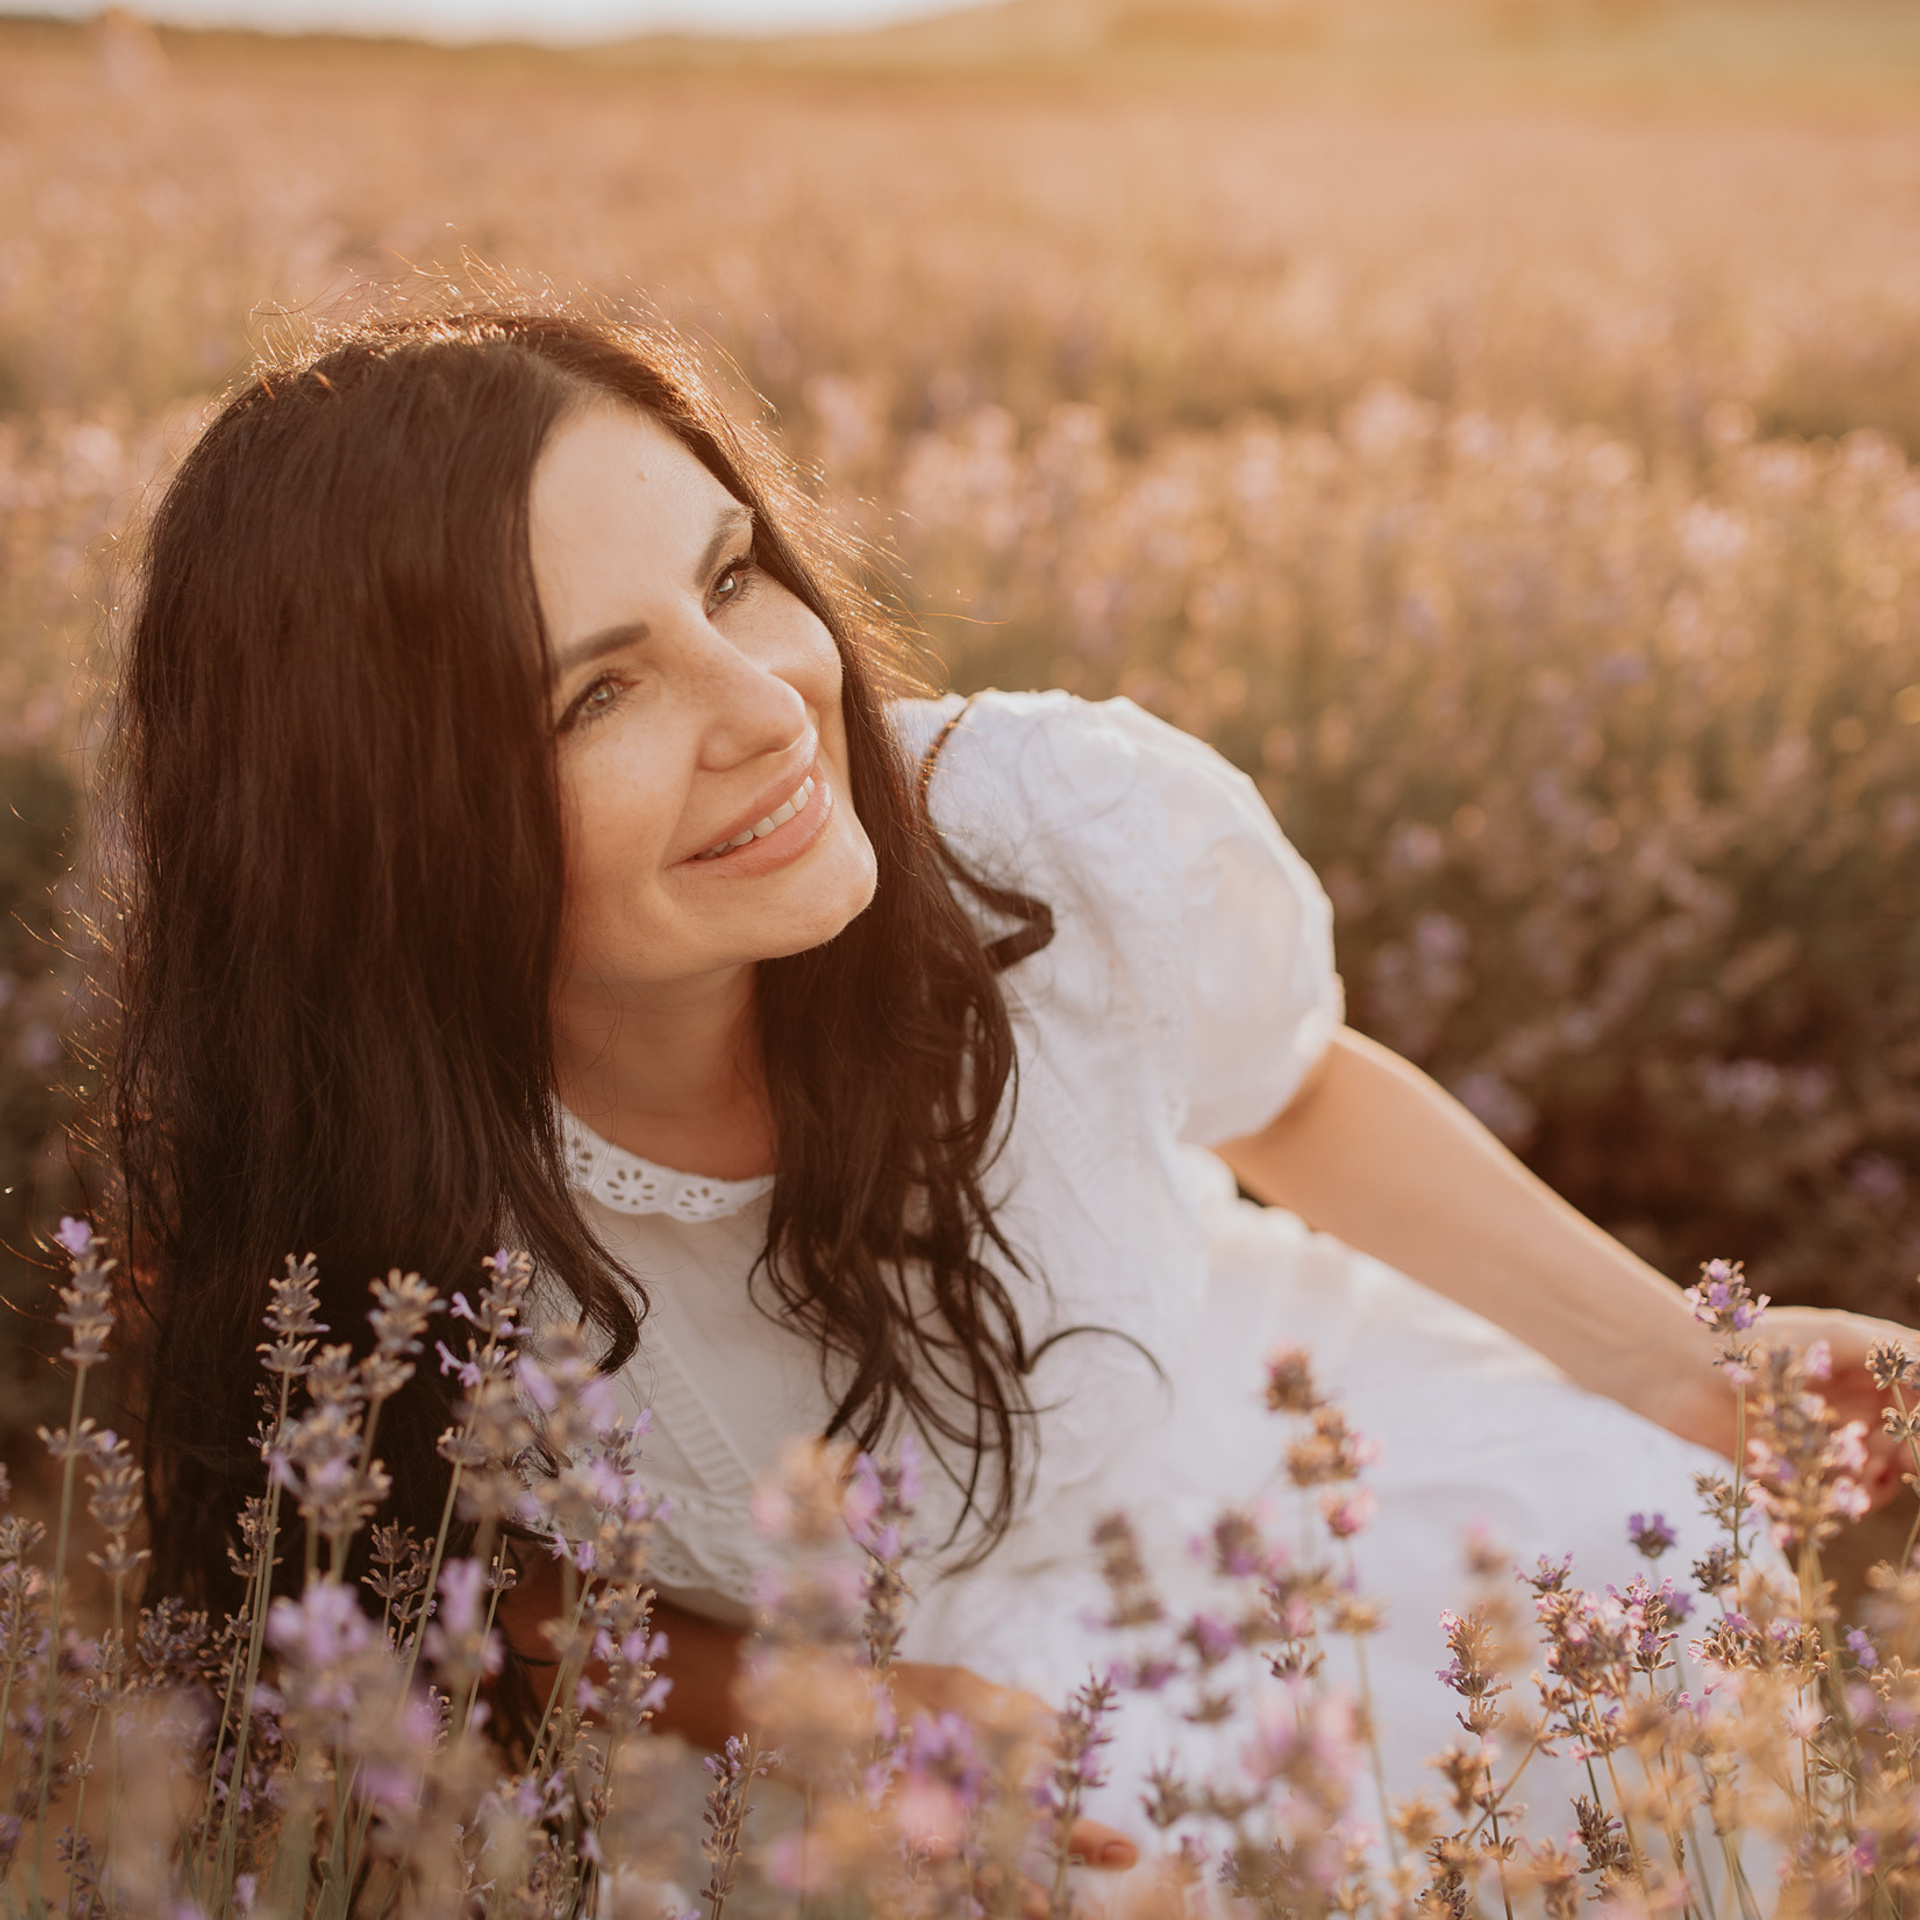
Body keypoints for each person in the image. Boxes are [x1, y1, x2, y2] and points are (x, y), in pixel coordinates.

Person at [105, 308, 1904, 1897]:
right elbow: (458, 1567)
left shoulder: (1046, 832)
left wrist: (1672, 1356)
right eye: (596, 695)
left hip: (1253, 1453)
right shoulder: (375, 1180)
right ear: (388, 842)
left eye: (732, 578)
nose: (772, 705)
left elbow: (1286, 1090)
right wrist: (827, 1716)